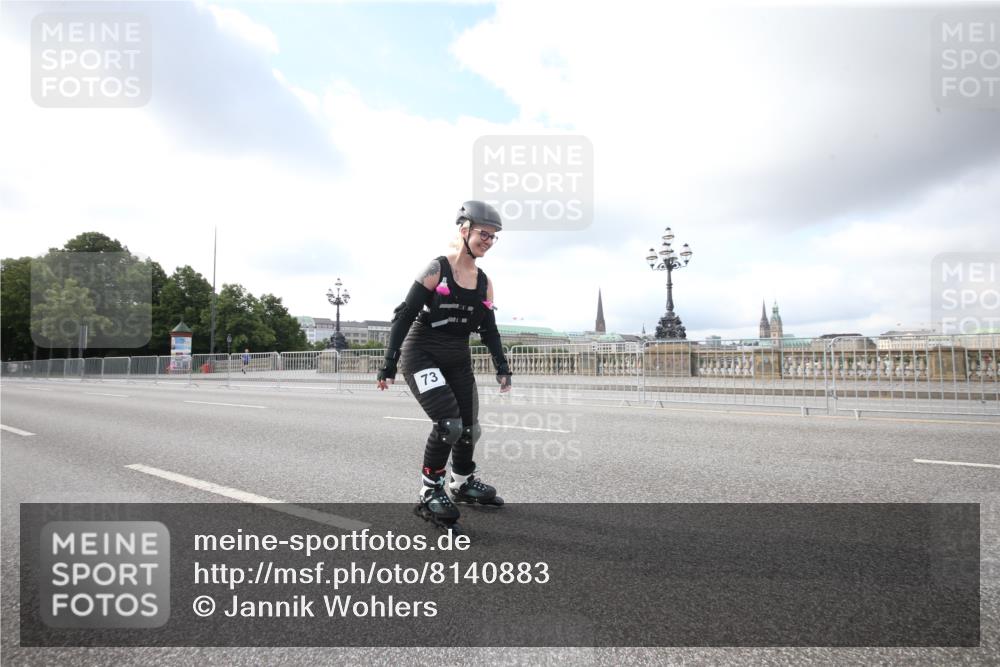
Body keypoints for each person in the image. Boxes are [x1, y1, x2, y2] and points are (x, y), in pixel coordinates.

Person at [377, 201, 512, 530]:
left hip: (456, 358)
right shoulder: (437, 269)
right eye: (484, 234)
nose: (488, 241)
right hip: (421, 354)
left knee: (469, 428)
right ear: (464, 230)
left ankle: (461, 483)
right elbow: (404, 316)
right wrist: (389, 363)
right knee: (448, 425)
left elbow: (489, 329)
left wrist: (502, 365)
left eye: (494, 237)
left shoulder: (484, 282)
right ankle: (429, 492)